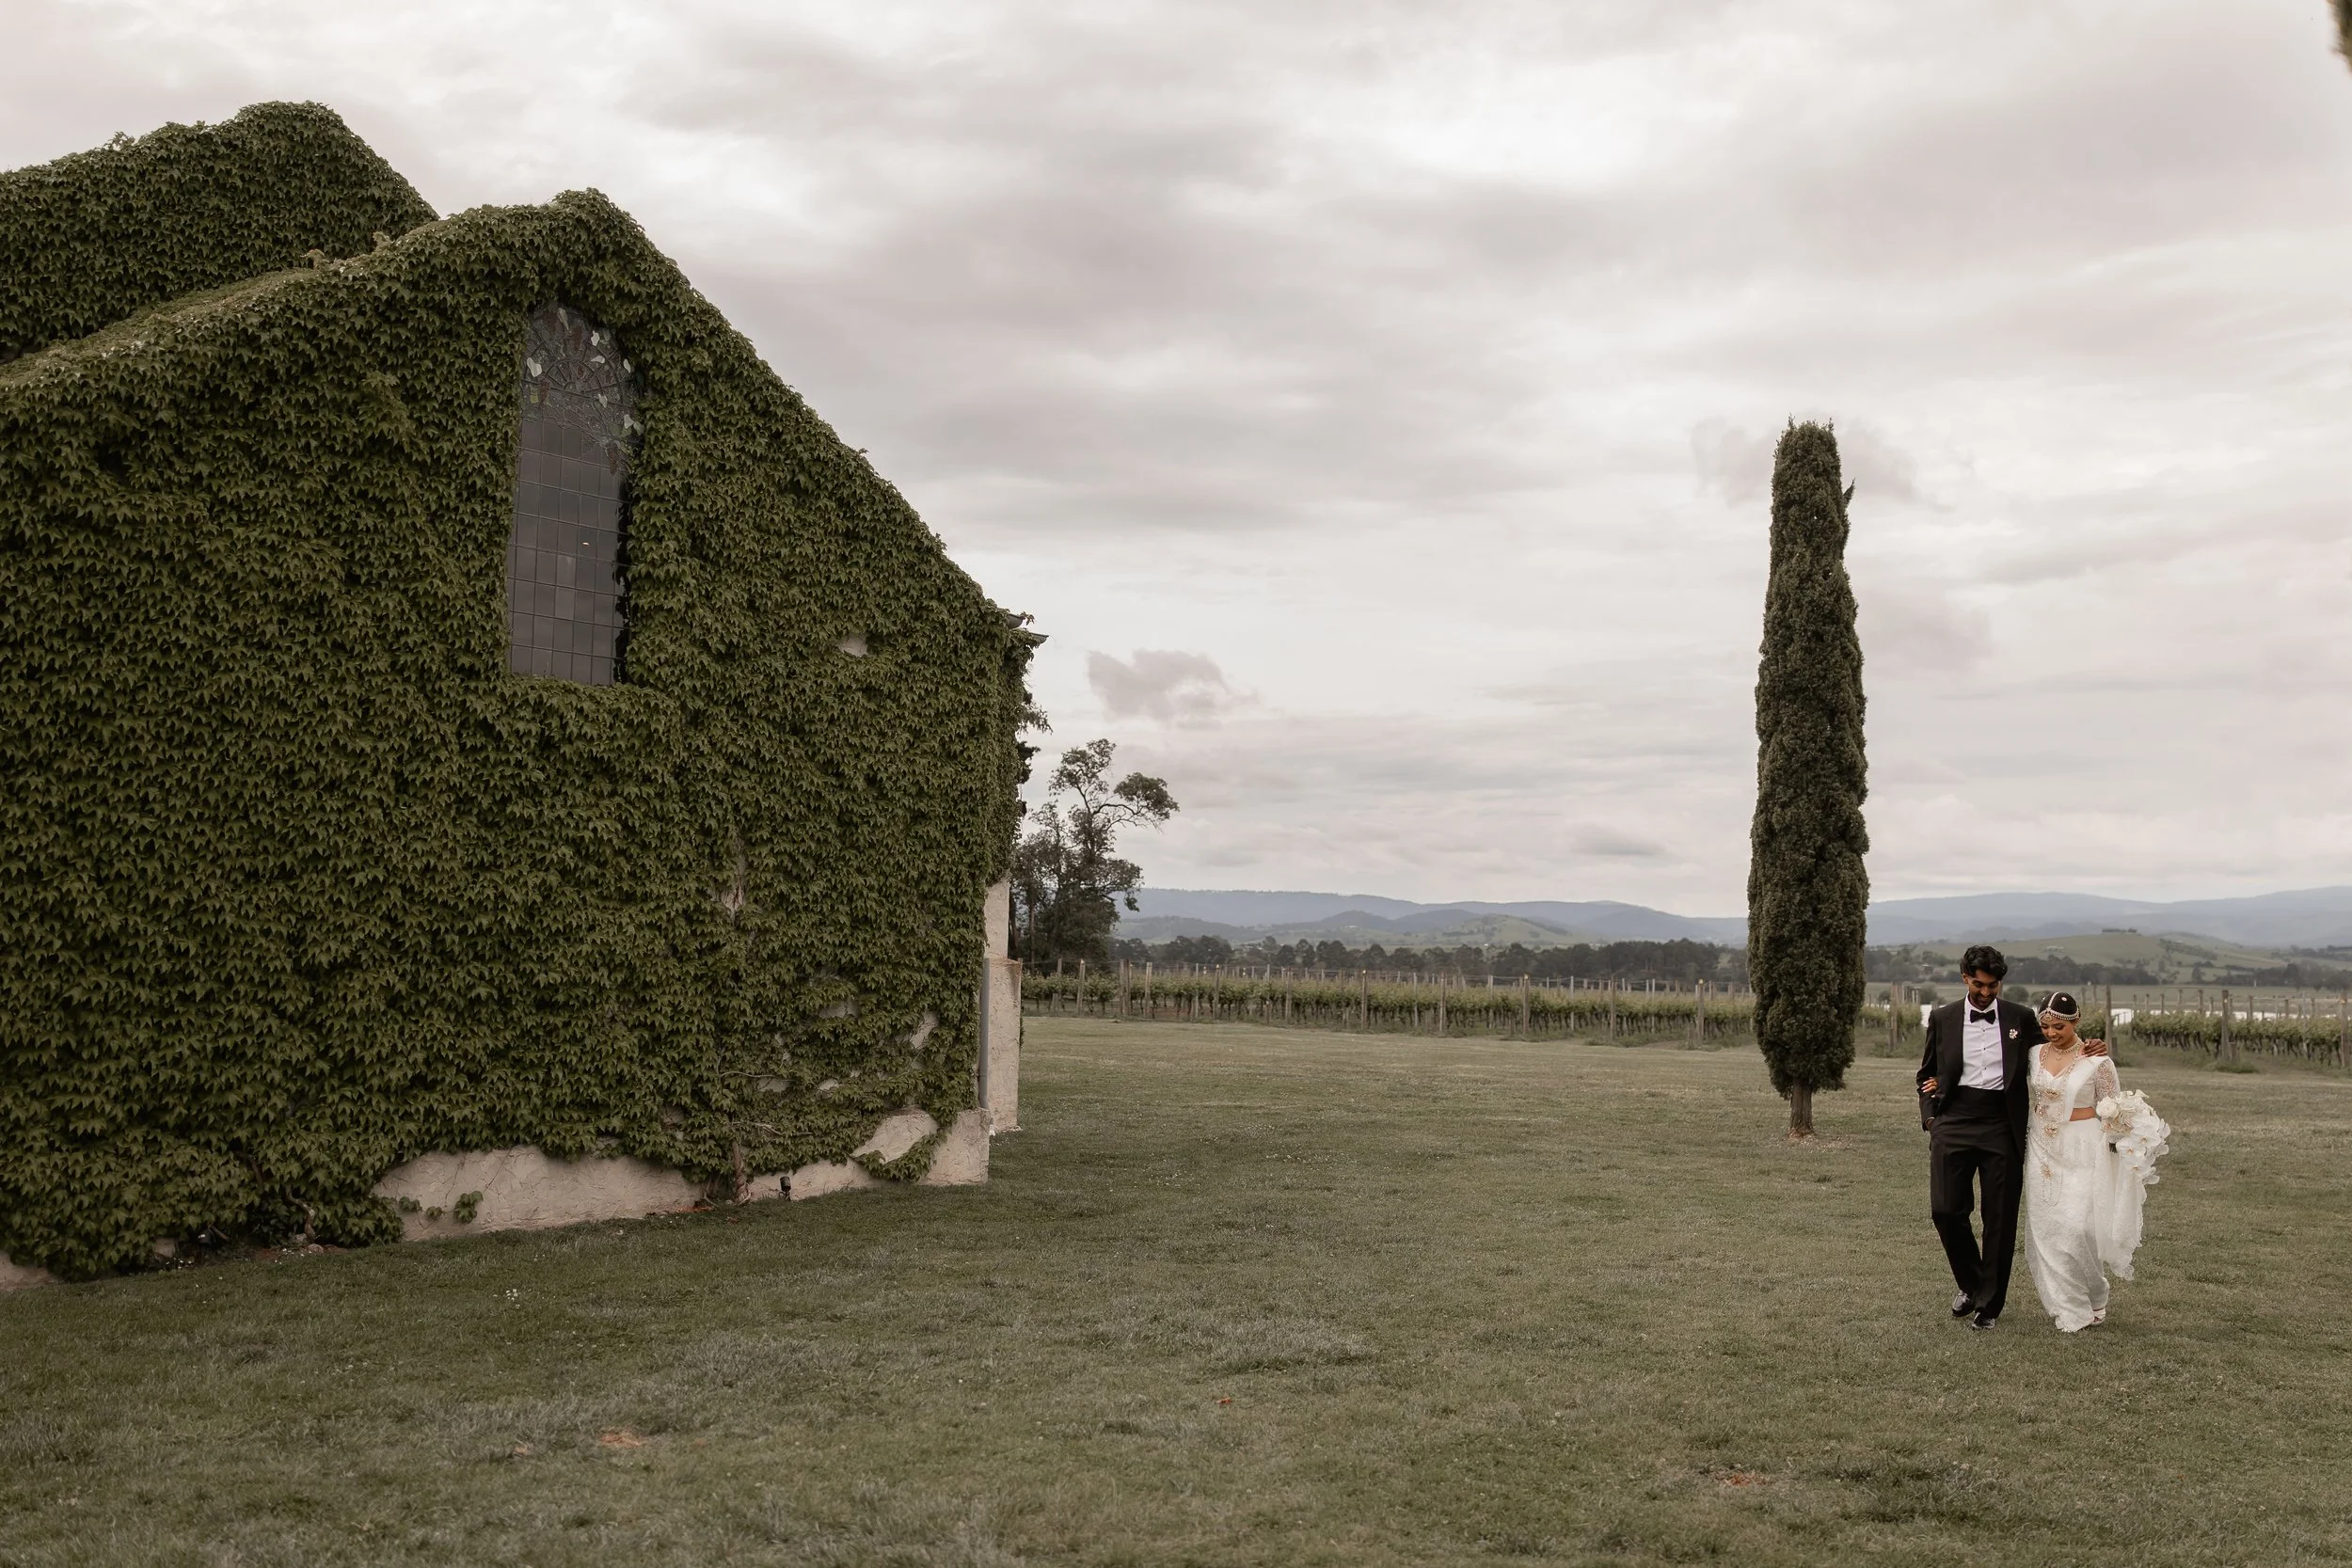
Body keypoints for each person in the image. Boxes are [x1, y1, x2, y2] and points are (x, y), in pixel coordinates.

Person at [1915, 944, 2106, 1330]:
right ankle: (1971, 1283)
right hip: (1953, 1121)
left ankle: (1989, 1305)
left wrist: (2091, 1049)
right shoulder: (1942, 1018)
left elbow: (2058, 1047)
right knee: (1946, 1211)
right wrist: (1932, 1118)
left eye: (1994, 985)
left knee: (1999, 1218)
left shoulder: (2019, 1017)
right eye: (1979, 984)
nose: (1986, 993)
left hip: (2003, 1126)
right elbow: (1926, 1075)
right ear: (1965, 977)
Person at [2023, 991, 2161, 1332]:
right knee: (2047, 1229)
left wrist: (2123, 1147)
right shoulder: (2032, 1053)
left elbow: (2113, 1109)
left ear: (2076, 1022)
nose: (2052, 1033)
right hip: (2041, 1145)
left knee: (2078, 1228)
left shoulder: (2098, 1063)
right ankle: (2071, 1308)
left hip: (2083, 1147)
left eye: (2059, 1027)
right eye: (2045, 1026)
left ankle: (2096, 1292)